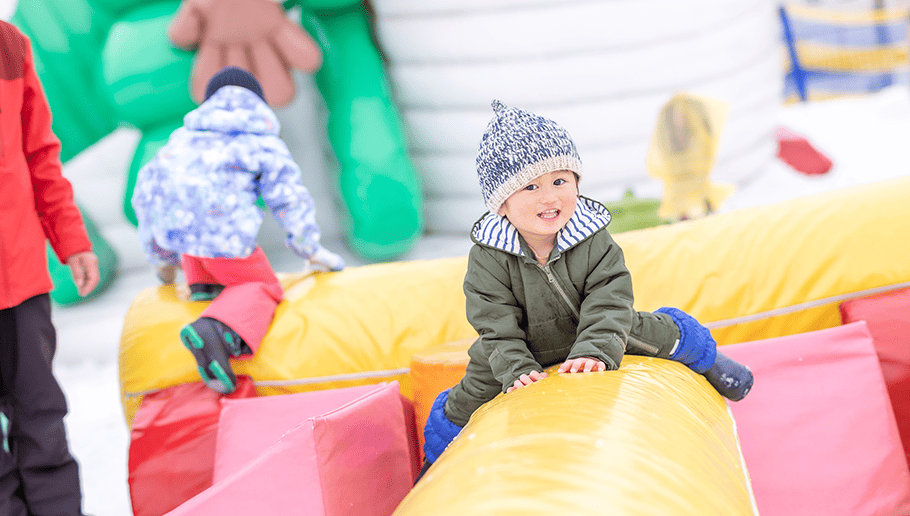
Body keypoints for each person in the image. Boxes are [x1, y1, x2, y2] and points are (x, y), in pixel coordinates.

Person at [419, 100, 720, 479]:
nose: (550, 197)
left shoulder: (592, 237)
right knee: (467, 398)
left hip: (597, 328)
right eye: (531, 187)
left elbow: (610, 294)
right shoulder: (489, 256)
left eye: (560, 181)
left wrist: (596, 348)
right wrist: (516, 368)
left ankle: (710, 359)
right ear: (502, 205)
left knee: (658, 334)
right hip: (520, 347)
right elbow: (493, 322)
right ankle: (433, 463)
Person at [132, 66, 345, 395]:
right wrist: (311, 250)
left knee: (205, 249)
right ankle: (216, 330)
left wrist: (162, 260)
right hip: (223, 241)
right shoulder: (258, 138)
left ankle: (206, 289)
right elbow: (289, 199)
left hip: (186, 247)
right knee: (263, 286)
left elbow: (145, 196)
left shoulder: (181, 140)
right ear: (258, 103)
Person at [0, 20, 101, 516]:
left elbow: (40, 153)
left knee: (42, 419)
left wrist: (71, 239)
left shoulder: (9, 46)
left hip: (20, 280)